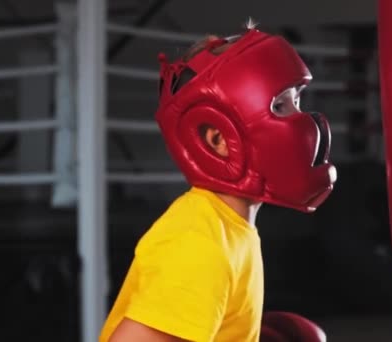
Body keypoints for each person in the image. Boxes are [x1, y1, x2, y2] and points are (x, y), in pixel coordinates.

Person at [99, 20, 337, 342]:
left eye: (297, 101)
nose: (302, 121)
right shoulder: (198, 241)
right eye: (280, 106)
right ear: (217, 139)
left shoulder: (231, 228)